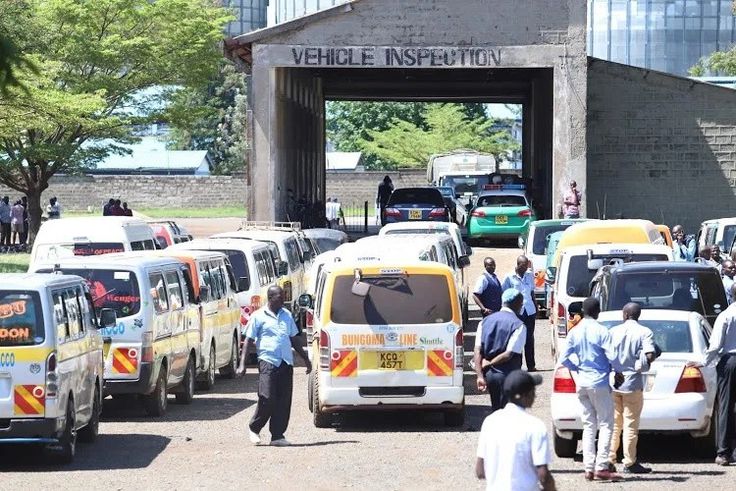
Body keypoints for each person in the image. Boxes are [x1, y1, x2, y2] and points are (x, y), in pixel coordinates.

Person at [236, 285, 312, 446]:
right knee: (267, 397)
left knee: (284, 400)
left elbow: (294, 339)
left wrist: (306, 359)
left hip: (285, 362)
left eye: (283, 297)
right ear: (271, 298)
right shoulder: (258, 316)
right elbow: (248, 340)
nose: (283, 300)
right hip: (267, 360)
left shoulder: (287, 315)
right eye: (280, 297)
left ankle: (277, 435)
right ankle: (254, 428)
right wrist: (242, 364)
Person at [558, 297, 623, 482]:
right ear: (597, 312)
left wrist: (577, 368)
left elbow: (564, 359)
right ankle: (602, 467)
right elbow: (613, 356)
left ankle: (588, 468)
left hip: (582, 383)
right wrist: (617, 371)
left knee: (588, 425)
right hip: (599, 382)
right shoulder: (602, 331)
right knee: (606, 424)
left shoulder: (574, 331)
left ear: (583, 312)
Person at [475, 370, 556, 491]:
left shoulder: (490, 422)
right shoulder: (535, 426)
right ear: (527, 395)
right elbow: (543, 475)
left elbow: (480, 471)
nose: (535, 395)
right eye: (533, 391)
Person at [607, 302, 657, 474]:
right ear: (638, 315)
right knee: (630, 425)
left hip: (614, 381)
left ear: (625, 315)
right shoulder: (645, 332)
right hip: (633, 384)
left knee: (614, 424)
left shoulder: (613, 331)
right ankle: (629, 462)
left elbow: (606, 354)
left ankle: (609, 459)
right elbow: (650, 354)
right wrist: (640, 364)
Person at [691, 283, 736, 466]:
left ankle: (724, 452)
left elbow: (716, 344)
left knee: (726, 406)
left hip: (730, 362)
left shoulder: (726, 315)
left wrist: (704, 361)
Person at [474, 289, 527, 413]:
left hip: (490, 376)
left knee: (496, 410)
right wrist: (491, 363)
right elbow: (509, 354)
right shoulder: (519, 325)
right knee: (509, 413)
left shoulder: (484, 322)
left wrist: (480, 376)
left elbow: (477, 350)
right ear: (517, 304)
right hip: (509, 376)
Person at [502, 255, 537, 371]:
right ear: (518, 265)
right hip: (517, 312)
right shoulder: (509, 277)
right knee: (518, 338)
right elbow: (504, 295)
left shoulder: (529, 275)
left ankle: (531, 365)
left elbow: (532, 293)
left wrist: (535, 307)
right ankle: (518, 365)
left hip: (529, 311)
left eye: (527, 265)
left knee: (529, 338)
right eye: (524, 266)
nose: (526, 268)